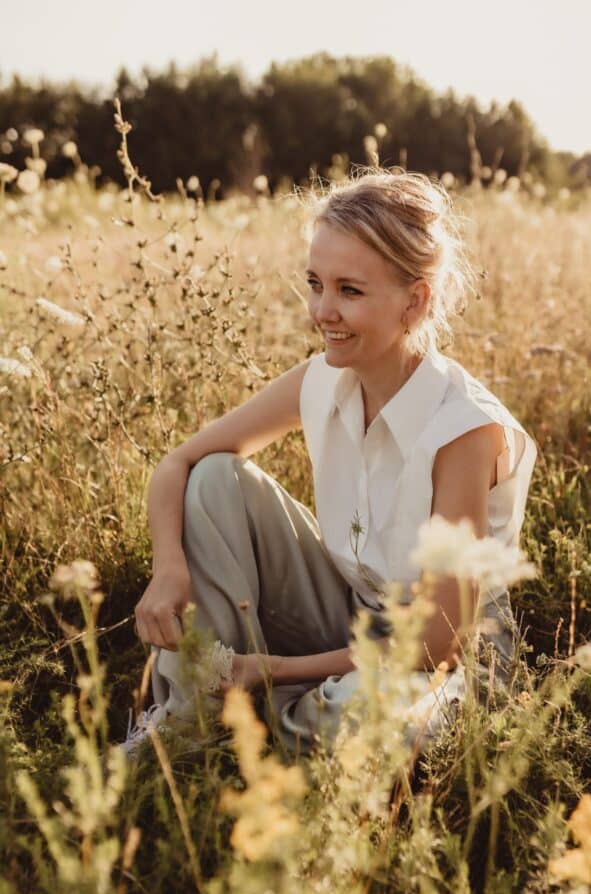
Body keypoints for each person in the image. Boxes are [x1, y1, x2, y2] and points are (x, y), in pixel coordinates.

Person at [124, 168, 536, 761]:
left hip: (444, 662)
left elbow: (436, 644)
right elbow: (179, 462)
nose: (322, 310)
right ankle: (195, 716)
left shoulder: (462, 430)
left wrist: (272, 667)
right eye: (316, 283)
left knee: (380, 723)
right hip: (351, 615)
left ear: (414, 300)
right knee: (214, 476)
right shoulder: (322, 380)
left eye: (350, 290)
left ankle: (260, 713)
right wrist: (168, 569)